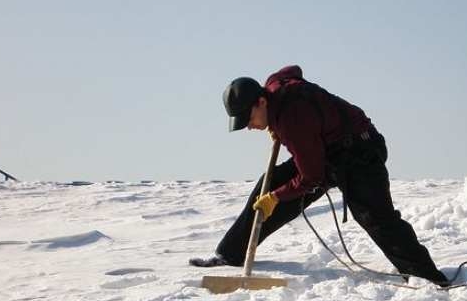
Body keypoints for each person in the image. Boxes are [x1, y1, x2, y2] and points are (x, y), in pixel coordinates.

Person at [190, 65, 448, 286]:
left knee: (374, 217)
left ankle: (427, 278)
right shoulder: (273, 86)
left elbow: (311, 177)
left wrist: (276, 198)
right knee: (266, 187)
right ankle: (230, 254)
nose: (249, 127)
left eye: (250, 119)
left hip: (360, 151)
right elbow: (293, 70)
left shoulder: (293, 120)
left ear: (261, 101)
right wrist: (274, 127)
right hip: (326, 148)